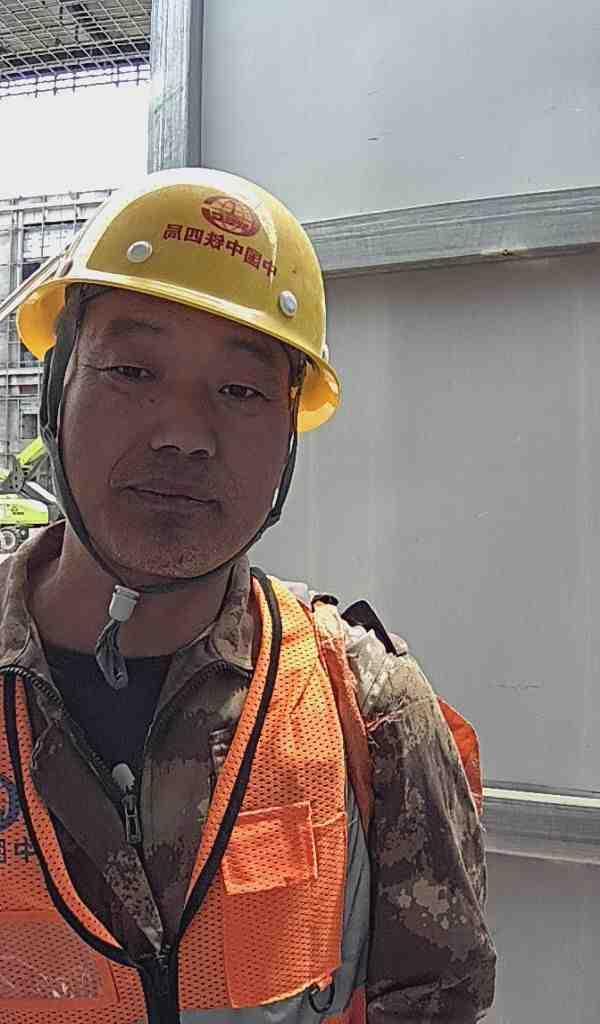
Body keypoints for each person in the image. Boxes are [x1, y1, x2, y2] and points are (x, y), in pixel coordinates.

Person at [0, 168, 496, 1023]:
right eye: (132, 369)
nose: (184, 434)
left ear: (289, 432)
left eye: (240, 390)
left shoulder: (367, 709)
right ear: (57, 389)